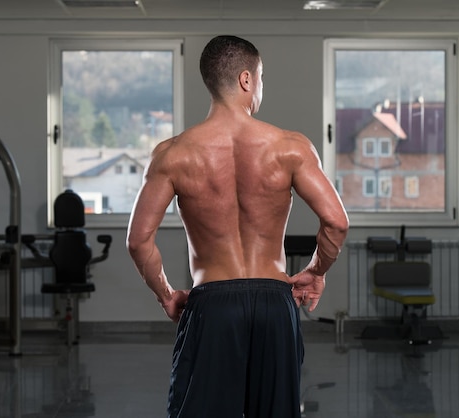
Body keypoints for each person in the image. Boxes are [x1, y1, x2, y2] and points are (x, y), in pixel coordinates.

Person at [126, 35, 349, 418]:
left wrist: (165, 294)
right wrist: (315, 272)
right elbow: (336, 222)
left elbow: (138, 240)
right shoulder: (290, 147)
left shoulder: (173, 154)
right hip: (275, 303)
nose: (261, 87)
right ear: (247, 80)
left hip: (212, 304)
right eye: (261, 77)